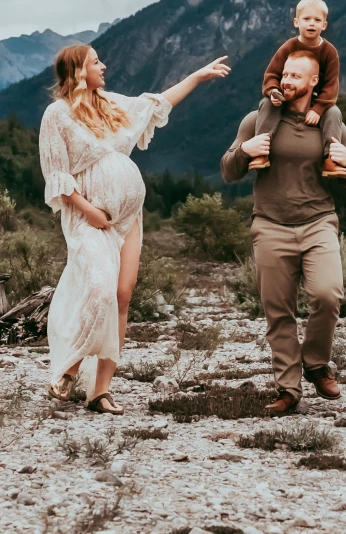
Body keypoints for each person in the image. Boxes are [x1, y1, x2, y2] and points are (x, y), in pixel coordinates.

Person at [41, 44, 229, 413]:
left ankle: (101, 391)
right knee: (99, 288)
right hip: (89, 218)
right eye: (96, 62)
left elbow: (156, 103)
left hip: (128, 218)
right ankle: (69, 367)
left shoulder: (110, 105)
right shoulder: (58, 115)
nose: (104, 66)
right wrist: (90, 211)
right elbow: (56, 175)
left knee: (123, 295)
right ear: (79, 70)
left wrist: (197, 76)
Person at [222, 48, 346, 415]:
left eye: (295, 77)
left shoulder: (331, 122)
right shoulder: (257, 119)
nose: (286, 82)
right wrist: (245, 150)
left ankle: (316, 364)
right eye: (284, 75)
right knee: (278, 312)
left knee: (328, 295)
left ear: (314, 82)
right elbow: (228, 170)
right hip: (270, 226)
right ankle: (288, 390)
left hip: (318, 222)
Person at [249, 0, 346, 178]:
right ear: (297, 22)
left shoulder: (330, 52)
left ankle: (331, 160)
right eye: (307, 19)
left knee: (334, 113)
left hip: (317, 101)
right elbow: (271, 75)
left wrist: (318, 109)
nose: (311, 24)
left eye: (317, 20)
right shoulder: (288, 47)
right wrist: (273, 92)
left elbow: (331, 85)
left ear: (324, 25)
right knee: (266, 104)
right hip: (286, 96)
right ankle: (261, 152)